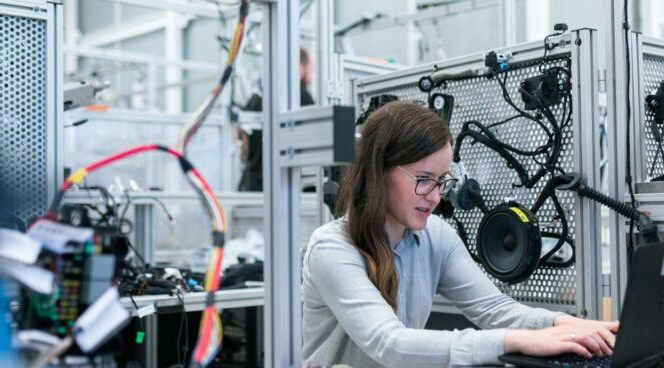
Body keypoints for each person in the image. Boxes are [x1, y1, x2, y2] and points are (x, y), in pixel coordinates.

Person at [301, 101, 619, 367]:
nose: (436, 196)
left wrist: (563, 324)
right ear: (378, 172)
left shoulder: (435, 236)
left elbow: (494, 309)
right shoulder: (333, 249)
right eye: (423, 179)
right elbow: (390, 344)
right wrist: (520, 340)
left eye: (442, 180)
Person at [236, 48, 315, 191]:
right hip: (281, 186)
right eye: (311, 68)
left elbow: (241, 142)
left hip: (250, 186)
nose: (312, 75)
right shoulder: (301, 97)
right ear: (300, 68)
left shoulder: (256, 99)